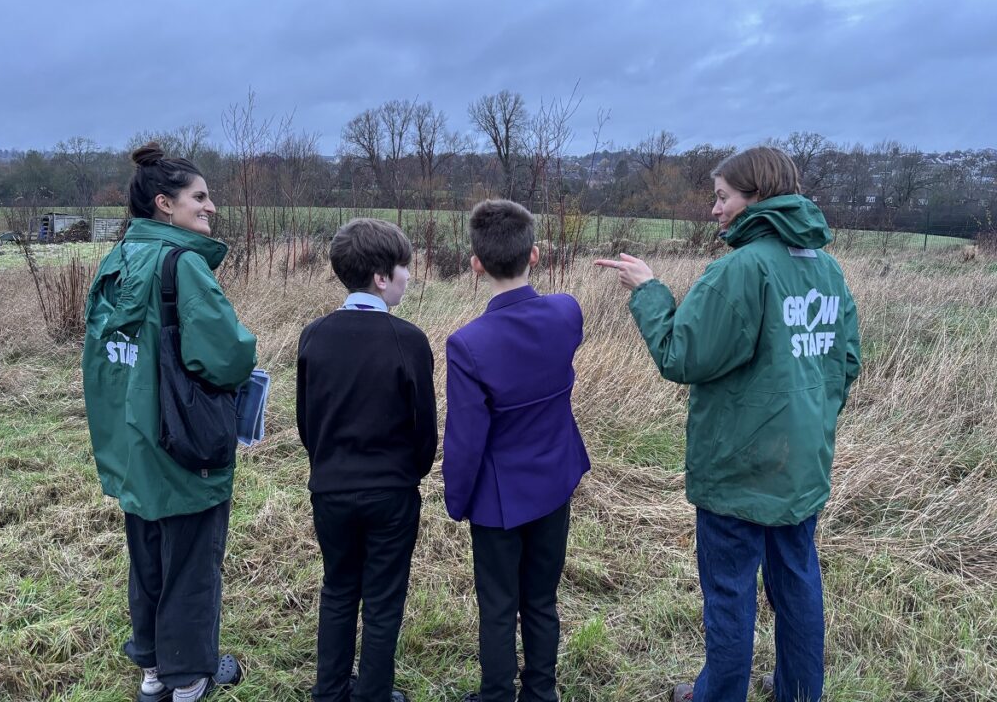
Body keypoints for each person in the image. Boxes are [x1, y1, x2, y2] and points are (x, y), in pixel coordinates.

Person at [596, 146, 861, 702]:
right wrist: (810, 420)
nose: (715, 209)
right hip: (801, 465)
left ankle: (718, 694)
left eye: (722, 197)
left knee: (730, 593)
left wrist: (647, 290)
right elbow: (847, 362)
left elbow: (681, 355)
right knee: (797, 581)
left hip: (738, 469)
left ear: (756, 196)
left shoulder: (741, 270)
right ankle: (798, 690)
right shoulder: (827, 269)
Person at [82, 143, 257, 702]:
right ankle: (190, 677)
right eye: (199, 197)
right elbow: (227, 356)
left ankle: (153, 670)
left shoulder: (116, 262)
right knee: (192, 564)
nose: (211, 207)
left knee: (148, 558)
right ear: (164, 203)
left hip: (131, 440)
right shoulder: (183, 266)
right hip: (183, 443)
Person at [443, 199, 591, 702]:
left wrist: (457, 500)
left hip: (497, 500)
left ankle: (496, 695)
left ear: (475, 264)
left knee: (499, 606)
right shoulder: (567, 312)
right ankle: (541, 692)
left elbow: (465, 437)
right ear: (535, 255)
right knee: (542, 599)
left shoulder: (468, 344)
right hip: (555, 482)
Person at [296, 218, 437, 702]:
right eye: (404, 268)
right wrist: (410, 472)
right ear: (381, 277)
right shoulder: (409, 339)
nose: (409, 277)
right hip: (391, 493)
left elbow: (307, 420)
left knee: (338, 589)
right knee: (383, 599)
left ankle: (330, 691)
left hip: (330, 489)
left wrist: (327, 464)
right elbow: (424, 427)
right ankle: (374, 694)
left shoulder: (313, 335)